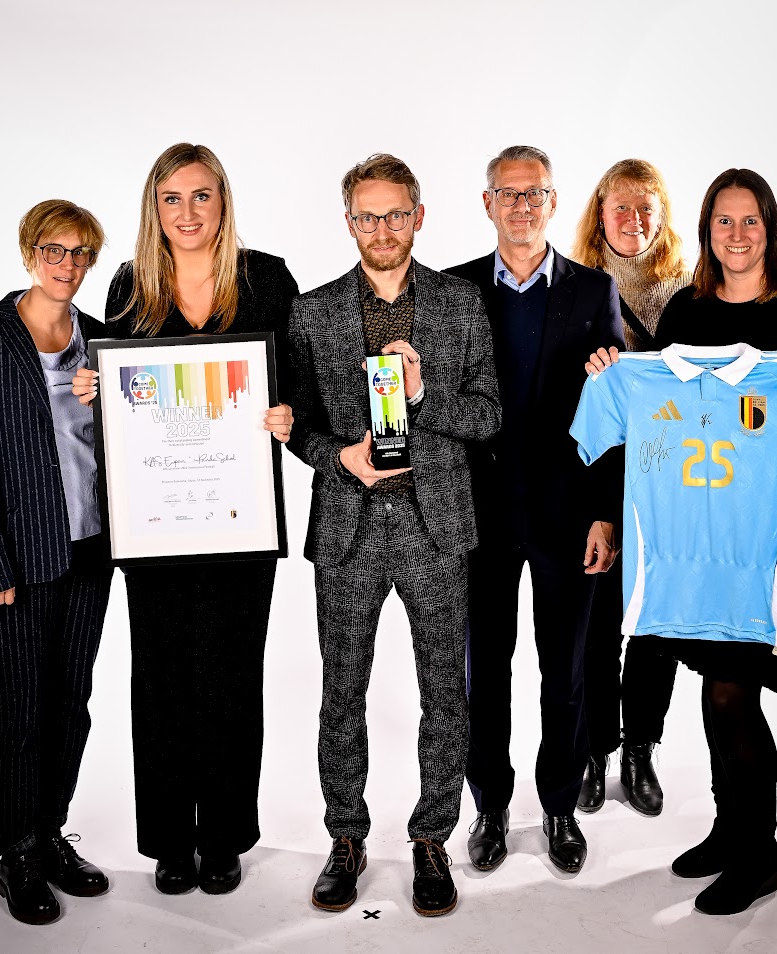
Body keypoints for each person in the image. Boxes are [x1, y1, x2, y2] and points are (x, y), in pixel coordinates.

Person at [585, 168, 777, 914]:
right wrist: (612, 376)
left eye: (750, 222)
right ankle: (728, 829)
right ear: (708, 230)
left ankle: (760, 852)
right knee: (713, 693)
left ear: (769, 228)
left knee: (732, 693)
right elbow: (650, 402)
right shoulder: (687, 308)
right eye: (723, 222)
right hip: (694, 540)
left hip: (769, 539)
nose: (737, 235)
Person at [73, 143, 297, 895]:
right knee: (162, 679)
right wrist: (91, 389)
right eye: (172, 198)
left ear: (223, 201)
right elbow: (118, 402)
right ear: (153, 208)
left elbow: (296, 392)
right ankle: (171, 839)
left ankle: (225, 835)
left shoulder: (265, 278)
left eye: (202, 196)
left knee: (233, 676)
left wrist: (288, 415)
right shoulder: (131, 285)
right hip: (155, 523)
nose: (188, 212)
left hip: (239, 519)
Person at [287, 154, 500, 917]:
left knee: (445, 693)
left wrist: (424, 392)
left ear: (419, 216)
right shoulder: (311, 312)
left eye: (396, 214)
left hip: (434, 525)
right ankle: (345, 837)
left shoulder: (461, 303)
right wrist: (335, 457)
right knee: (340, 694)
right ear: (348, 222)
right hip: (347, 528)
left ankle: (430, 838)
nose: (382, 229)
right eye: (367, 216)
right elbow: (297, 427)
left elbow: (486, 416)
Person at [444, 145, 623, 876]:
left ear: (553, 203)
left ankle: (556, 806)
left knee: (566, 669)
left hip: (565, 513)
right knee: (483, 669)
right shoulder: (452, 291)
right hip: (477, 517)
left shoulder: (592, 290)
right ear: (486, 204)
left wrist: (604, 514)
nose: (521, 206)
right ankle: (488, 805)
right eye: (507, 194)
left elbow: (613, 414)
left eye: (535, 194)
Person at [0, 200, 113, 924]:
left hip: (90, 551)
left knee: (70, 703)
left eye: (82, 253)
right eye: (54, 250)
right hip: (13, 563)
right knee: (20, 709)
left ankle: (52, 833)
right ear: (28, 252)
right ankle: (16, 852)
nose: (68, 265)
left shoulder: (104, 343)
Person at [572, 159, 692, 816]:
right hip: (600, 482)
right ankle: (594, 750)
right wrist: (597, 511)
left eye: (646, 208)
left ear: (662, 215)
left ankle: (640, 748)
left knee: (655, 625)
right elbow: (574, 412)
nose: (633, 221)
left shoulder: (689, 297)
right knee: (595, 627)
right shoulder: (577, 290)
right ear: (599, 213)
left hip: (671, 484)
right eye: (620, 208)